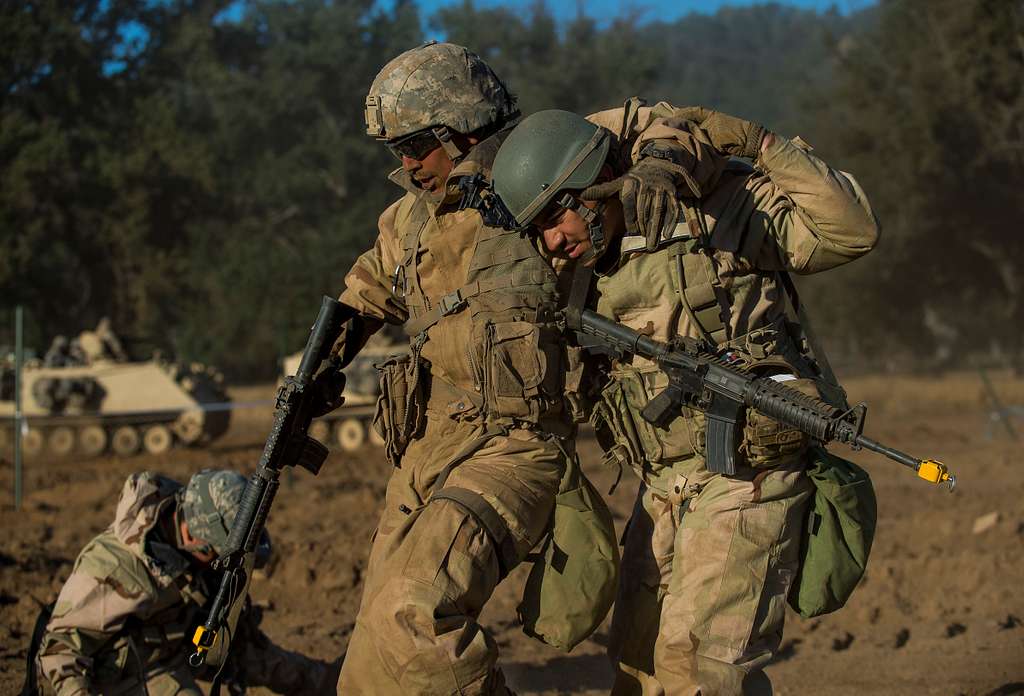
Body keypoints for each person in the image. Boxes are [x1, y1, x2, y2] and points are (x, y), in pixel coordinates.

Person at [488, 102, 880, 695]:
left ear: (592, 187)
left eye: (553, 218)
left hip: (746, 475)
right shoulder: (578, 271)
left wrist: (764, 145)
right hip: (661, 490)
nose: (549, 243)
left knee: (699, 672)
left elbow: (851, 233)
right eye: (535, 229)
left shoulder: (713, 210)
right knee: (639, 671)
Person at [314, 41, 588, 695]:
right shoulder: (405, 220)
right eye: (396, 151)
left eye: (415, 145)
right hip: (426, 452)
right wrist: (314, 373)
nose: (406, 164)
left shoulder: (545, 191)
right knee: (372, 664)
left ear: (463, 129)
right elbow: (364, 295)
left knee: (413, 615)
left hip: (514, 448)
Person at [35, 469, 338, 696]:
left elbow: (247, 652)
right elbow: (59, 651)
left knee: (272, 664)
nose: (223, 566)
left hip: (182, 648)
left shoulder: (196, 546)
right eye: (218, 556)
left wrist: (329, 681)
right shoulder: (113, 568)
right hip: (123, 674)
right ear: (194, 537)